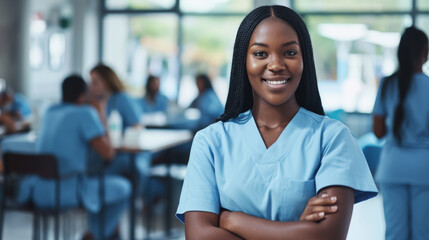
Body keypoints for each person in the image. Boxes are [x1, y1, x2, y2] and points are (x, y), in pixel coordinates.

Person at [177, 5, 378, 239]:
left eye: (290, 53)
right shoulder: (210, 142)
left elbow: (327, 235)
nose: (276, 65)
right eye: (260, 53)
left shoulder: (332, 138)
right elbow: (199, 236)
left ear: (305, 59)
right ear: (243, 61)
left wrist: (233, 219)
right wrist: (296, 231)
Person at [20, 75, 130, 239]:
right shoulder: (85, 113)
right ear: (82, 96)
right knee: (123, 188)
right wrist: (101, 114)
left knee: (98, 187)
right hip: (67, 191)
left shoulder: (48, 112)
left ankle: (97, 232)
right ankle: (94, 234)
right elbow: (109, 154)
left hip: (38, 191)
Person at [372, 26, 429, 240]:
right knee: (423, 234)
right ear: (424, 52)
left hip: (392, 168)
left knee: (395, 234)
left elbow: (378, 132)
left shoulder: (387, 84)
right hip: (425, 170)